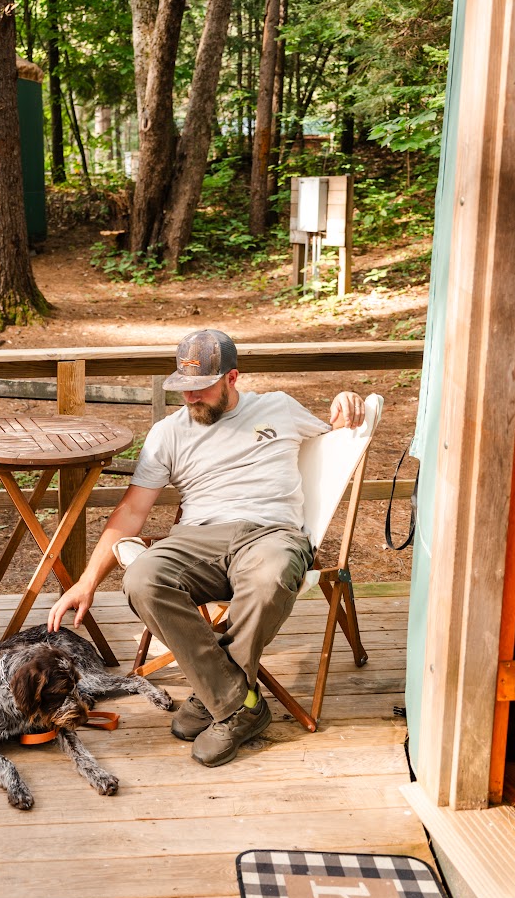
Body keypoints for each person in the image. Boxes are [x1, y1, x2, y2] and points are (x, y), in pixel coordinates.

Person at [48, 328, 365, 768]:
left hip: (270, 534)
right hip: (196, 538)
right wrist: (86, 582)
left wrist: (348, 401)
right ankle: (240, 703)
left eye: (203, 387)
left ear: (232, 378)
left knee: (272, 577)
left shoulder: (278, 408)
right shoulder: (168, 433)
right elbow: (131, 513)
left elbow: (340, 430)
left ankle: (216, 694)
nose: (192, 397)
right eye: (184, 388)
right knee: (142, 578)